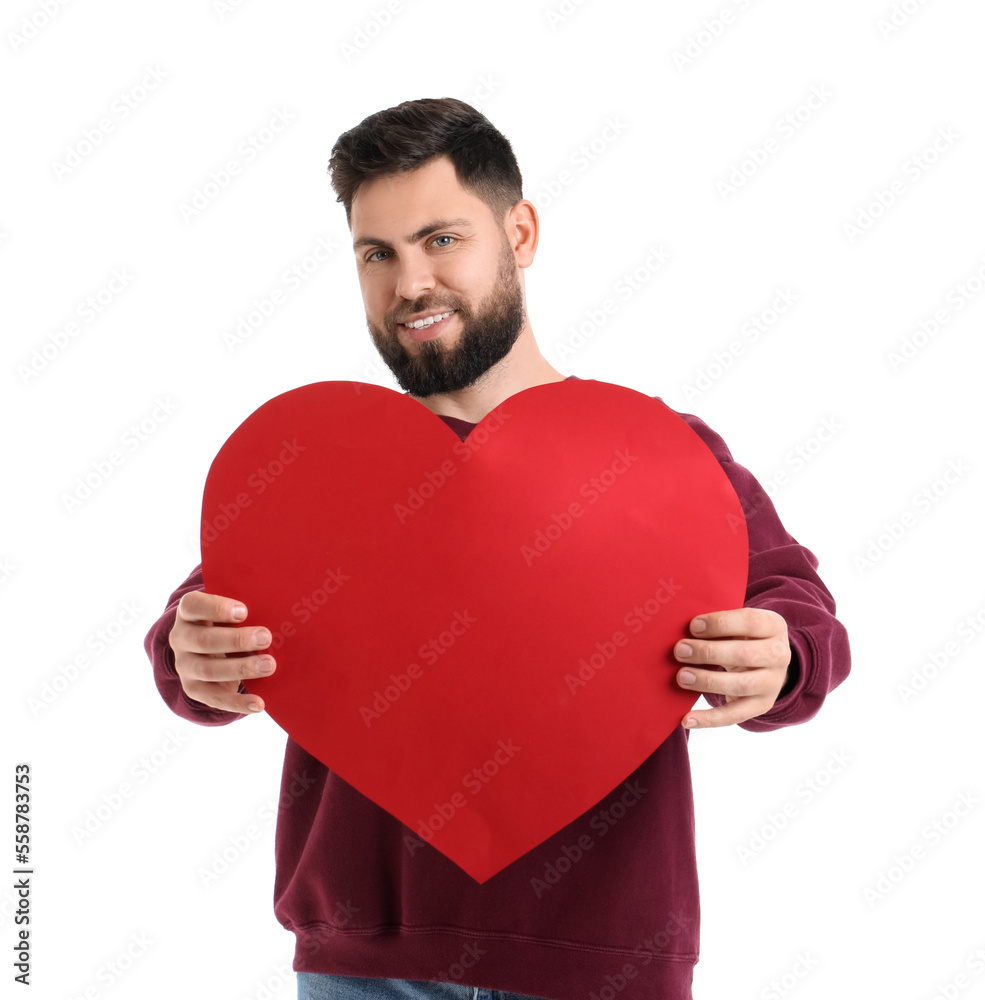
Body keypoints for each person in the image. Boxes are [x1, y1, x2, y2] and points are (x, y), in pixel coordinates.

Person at [144, 98, 851, 1000]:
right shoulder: (323, 470)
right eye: (377, 253)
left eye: (441, 239)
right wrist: (187, 654)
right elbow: (207, 617)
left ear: (518, 232)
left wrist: (781, 656)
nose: (409, 285)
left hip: (603, 967)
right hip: (363, 969)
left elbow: (798, 609)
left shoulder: (657, 452)